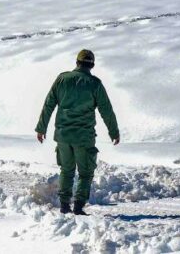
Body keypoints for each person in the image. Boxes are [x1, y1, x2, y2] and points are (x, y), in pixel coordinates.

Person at [35, 49, 120, 215]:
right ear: (92, 65)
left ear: (77, 62)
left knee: (66, 170)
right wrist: (114, 132)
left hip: (63, 135)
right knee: (85, 172)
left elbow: (49, 104)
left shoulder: (62, 79)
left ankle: (64, 205)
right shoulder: (95, 84)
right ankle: (79, 206)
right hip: (84, 137)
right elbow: (106, 110)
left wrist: (41, 127)